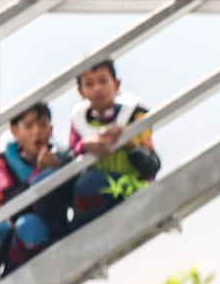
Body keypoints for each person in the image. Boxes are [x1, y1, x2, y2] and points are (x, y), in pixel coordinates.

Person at [66, 60, 158, 228]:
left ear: (116, 84)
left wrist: (127, 140)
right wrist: (84, 146)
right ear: (80, 91)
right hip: (97, 195)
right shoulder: (79, 122)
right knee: (85, 184)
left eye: (103, 81)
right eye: (89, 84)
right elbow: (69, 157)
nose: (97, 88)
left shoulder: (134, 115)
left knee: (89, 183)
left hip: (133, 186)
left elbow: (153, 165)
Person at [0, 103, 71, 277]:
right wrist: (39, 171)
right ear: (15, 131)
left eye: (43, 125)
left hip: (50, 232)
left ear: (50, 129)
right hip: (17, 235)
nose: (37, 132)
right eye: (29, 126)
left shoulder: (62, 157)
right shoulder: (3, 161)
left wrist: (52, 169)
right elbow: (10, 205)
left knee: (31, 226)